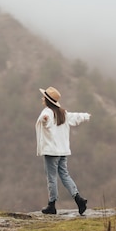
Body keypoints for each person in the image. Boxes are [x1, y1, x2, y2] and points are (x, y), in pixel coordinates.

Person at [35, 86, 91, 215]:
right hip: (63, 151)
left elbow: (46, 120)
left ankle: (52, 205)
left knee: (51, 178)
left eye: (44, 97)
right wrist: (86, 116)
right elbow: (75, 117)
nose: (42, 98)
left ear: (48, 100)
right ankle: (79, 199)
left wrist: (45, 121)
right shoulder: (63, 113)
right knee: (65, 175)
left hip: (51, 151)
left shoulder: (47, 112)